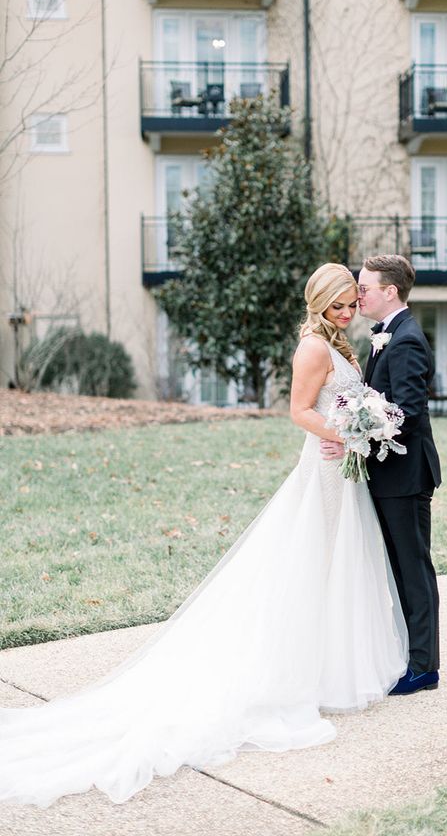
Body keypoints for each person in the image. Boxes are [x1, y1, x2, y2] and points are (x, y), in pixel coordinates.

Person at [0, 263, 408, 808]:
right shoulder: (313, 348)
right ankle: (295, 675)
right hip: (325, 470)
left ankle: (332, 668)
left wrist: (362, 426)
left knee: (338, 565)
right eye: (337, 306)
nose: (347, 312)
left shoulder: (343, 345)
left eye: (351, 304)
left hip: (344, 470)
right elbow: (298, 410)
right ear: (318, 306)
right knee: (312, 565)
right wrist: (345, 432)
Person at [322, 254, 441, 694]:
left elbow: (405, 414)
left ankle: (425, 667)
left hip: (406, 477)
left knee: (413, 569)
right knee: (398, 568)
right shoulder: (386, 336)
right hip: (388, 475)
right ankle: (411, 655)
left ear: (390, 291)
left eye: (365, 288)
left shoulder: (406, 339)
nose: (359, 294)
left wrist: (355, 437)